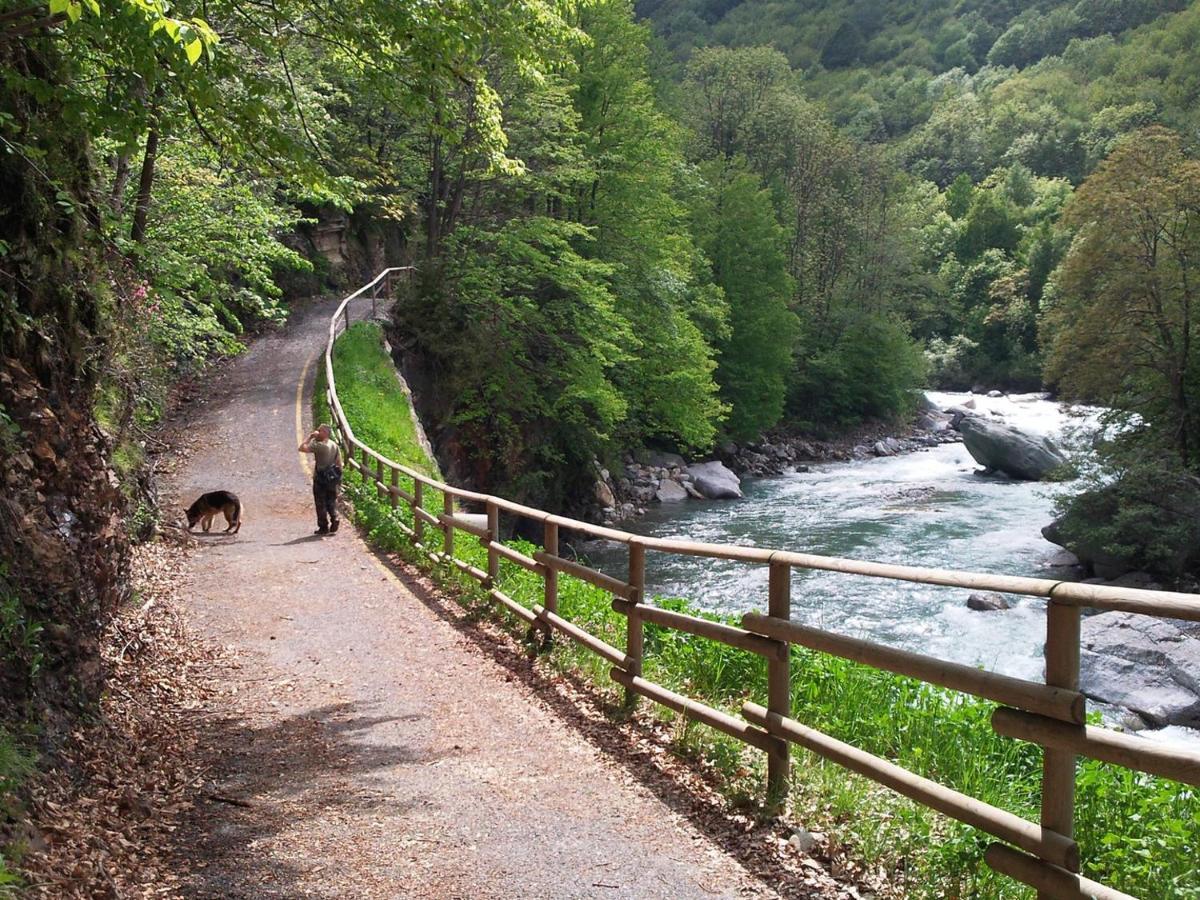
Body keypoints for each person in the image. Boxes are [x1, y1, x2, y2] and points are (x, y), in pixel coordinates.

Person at [299, 423, 342, 535]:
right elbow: (339, 462)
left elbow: (302, 448)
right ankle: (335, 517)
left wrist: (310, 437)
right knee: (331, 500)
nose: (317, 432)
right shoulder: (334, 445)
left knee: (320, 502)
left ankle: (323, 526)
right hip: (332, 477)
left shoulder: (320, 446)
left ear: (325, 433)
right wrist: (339, 478)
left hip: (321, 478)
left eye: (320, 430)